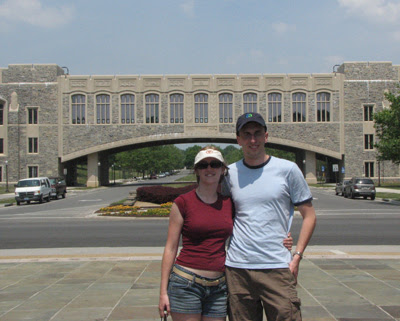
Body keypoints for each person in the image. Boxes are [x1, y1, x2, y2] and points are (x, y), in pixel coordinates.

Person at [158, 146, 294, 321]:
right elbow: (170, 248)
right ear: (196, 171)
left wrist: (283, 238)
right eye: (203, 165)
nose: (209, 169)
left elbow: (254, 222)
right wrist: (163, 292)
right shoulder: (182, 203)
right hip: (186, 283)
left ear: (223, 169)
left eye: (214, 164)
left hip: (219, 286)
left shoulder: (229, 203)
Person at [223, 112, 317, 321]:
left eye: (257, 133)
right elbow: (221, 217)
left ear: (266, 136)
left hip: (277, 266)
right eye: (246, 134)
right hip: (238, 269)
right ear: (238, 139)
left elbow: (309, 215)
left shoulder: (288, 170)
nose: (252, 140)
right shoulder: (228, 174)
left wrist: (297, 256)